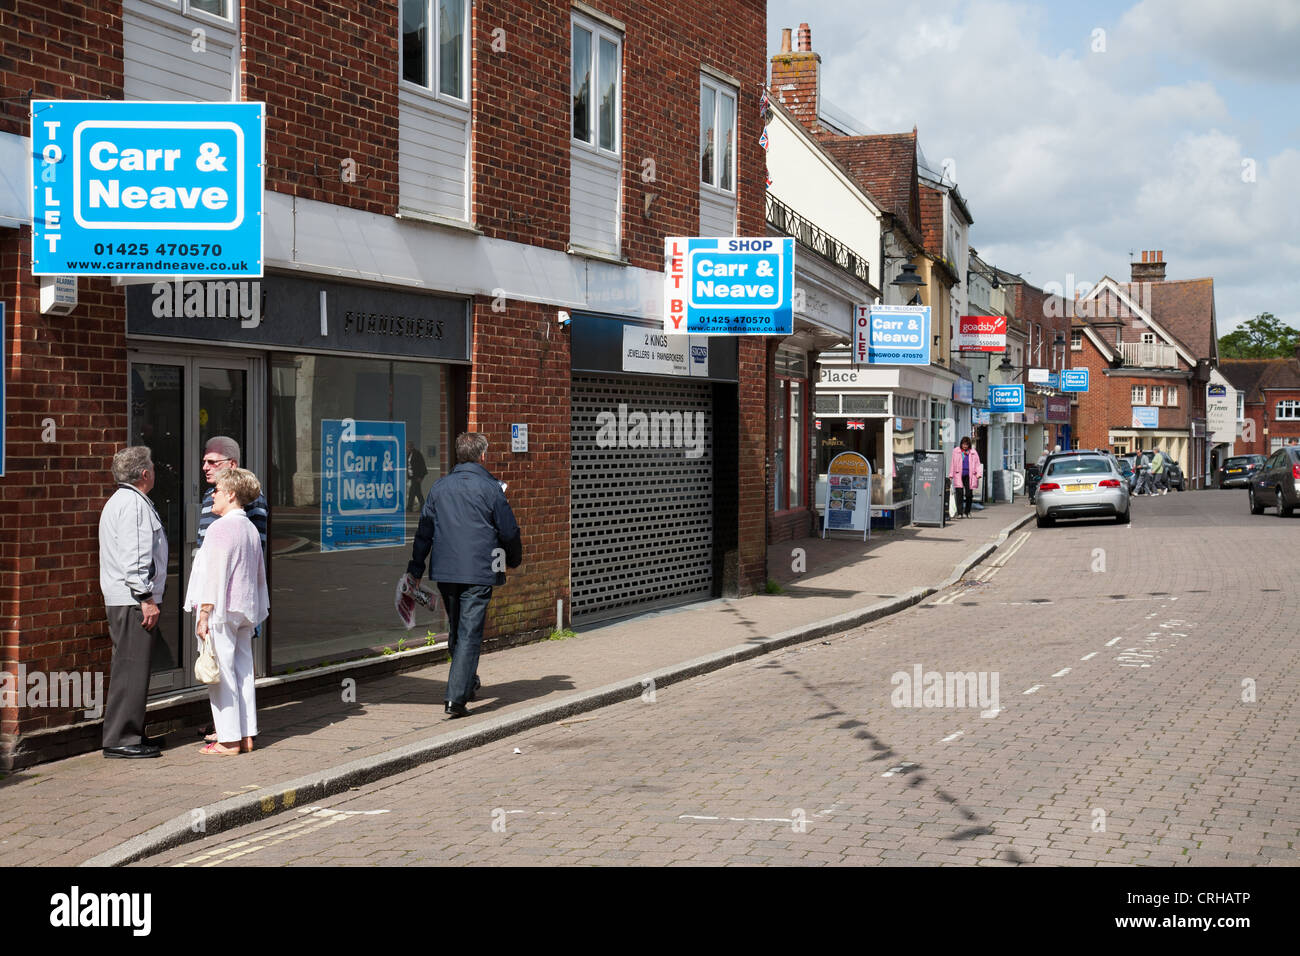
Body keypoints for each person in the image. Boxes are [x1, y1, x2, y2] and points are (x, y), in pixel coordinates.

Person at [400, 432, 522, 718]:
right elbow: (508, 531)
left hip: (446, 571)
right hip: (479, 571)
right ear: (483, 456)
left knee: (458, 627)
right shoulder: (491, 488)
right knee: (469, 632)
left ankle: (467, 681)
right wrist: (513, 559)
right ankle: (456, 698)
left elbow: (424, 533)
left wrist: (415, 569)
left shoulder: (439, 487)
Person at [184, 468, 269, 756]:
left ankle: (229, 740)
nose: (213, 498)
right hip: (246, 609)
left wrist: (204, 613)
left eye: (217, 492)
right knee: (244, 673)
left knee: (222, 674)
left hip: (221, 608)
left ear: (231, 494)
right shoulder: (250, 529)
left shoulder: (220, 528)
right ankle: (246, 736)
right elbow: (259, 574)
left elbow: (214, 575)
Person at [98, 446, 167, 758]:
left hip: (125, 598)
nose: (154, 470)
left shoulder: (122, 501)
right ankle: (122, 739)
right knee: (131, 668)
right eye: (151, 466)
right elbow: (136, 557)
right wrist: (146, 598)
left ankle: (132, 732)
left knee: (130, 667)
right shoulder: (134, 505)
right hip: (132, 600)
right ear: (144, 474)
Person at [949, 436, 982, 518]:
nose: (965, 446)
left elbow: (978, 464)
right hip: (958, 474)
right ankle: (960, 513)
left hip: (970, 475)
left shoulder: (973, 452)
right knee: (959, 494)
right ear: (961, 444)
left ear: (969, 445)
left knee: (969, 494)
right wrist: (951, 475)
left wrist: (979, 474)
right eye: (963, 444)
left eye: (966, 444)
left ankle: (967, 511)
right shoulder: (956, 451)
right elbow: (952, 463)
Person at [407, 442, 428, 511]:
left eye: (408, 446)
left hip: (417, 477)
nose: (407, 448)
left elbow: (422, 466)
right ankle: (423, 506)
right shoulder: (409, 454)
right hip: (412, 476)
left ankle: (409, 507)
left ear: (412, 447)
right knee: (418, 493)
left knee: (412, 492)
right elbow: (409, 465)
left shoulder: (417, 454)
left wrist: (421, 477)